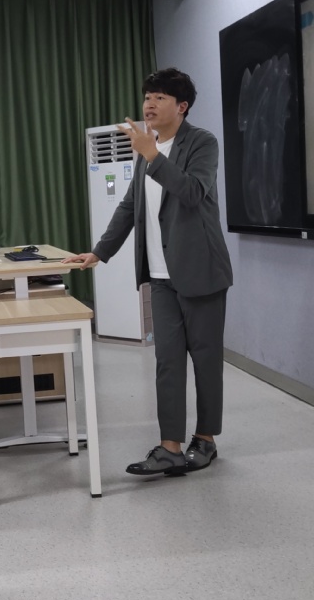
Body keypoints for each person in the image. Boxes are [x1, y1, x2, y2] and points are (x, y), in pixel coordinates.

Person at [64, 68, 233, 476]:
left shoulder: (202, 143)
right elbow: (130, 206)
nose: (149, 105)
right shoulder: (148, 149)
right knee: (167, 362)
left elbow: (193, 192)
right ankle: (169, 447)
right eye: (147, 97)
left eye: (159, 97)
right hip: (160, 277)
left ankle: (205, 439)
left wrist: (153, 155)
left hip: (201, 271)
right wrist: (100, 252)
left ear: (182, 106)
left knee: (205, 360)